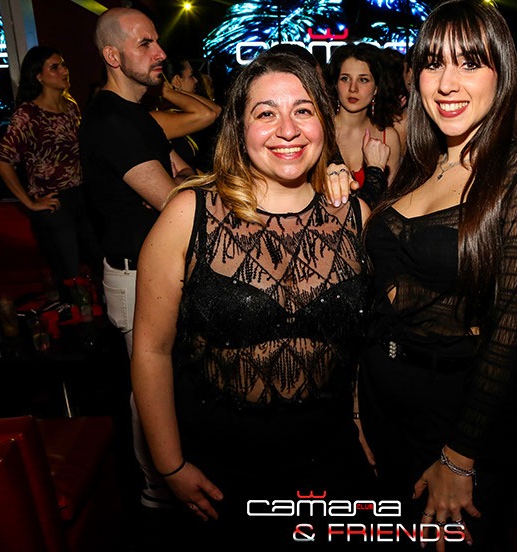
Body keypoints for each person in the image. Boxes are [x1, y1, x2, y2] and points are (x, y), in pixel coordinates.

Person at [324, 0, 517, 548]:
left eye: (470, 63)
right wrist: (357, 399)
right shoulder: (417, 165)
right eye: (434, 63)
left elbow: (515, 331)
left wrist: (461, 455)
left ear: (503, 73)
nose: (447, 83)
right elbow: (377, 293)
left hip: (454, 415)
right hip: (378, 393)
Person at [131, 51, 375, 547]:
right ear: (239, 129)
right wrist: (170, 465)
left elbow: (359, 347)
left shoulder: (355, 218)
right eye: (266, 113)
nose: (288, 129)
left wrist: (360, 425)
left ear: (324, 122)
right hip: (222, 473)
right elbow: (151, 350)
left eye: (303, 110)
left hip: (329, 461)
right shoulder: (189, 214)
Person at [79, 6, 195, 510]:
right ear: (112, 56)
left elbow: (186, 176)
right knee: (149, 389)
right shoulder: (109, 119)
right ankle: (156, 495)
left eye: (157, 41)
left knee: (170, 383)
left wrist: (196, 189)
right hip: (133, 277)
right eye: (145, 43)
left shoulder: (136, 116)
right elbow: (173, 199)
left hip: (157, 272)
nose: (160, 52)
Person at [0, 46, 102, 294]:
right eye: (55, 67)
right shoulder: (27, 114)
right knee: (70, 278)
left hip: (82, 198)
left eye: (63, 65)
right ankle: (75, 318)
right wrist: (29, 203)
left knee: (99, 266)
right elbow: (1, 159)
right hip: (54, 204)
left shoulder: (71, 107)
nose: (64, 71)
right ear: (38, 76)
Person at [328, 43, 402, 196]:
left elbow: (388, 202)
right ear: (335, 84)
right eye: (345, 79)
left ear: (376, 88)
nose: (353, 88)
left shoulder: (388, 137)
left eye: (363, 80)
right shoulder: (320, 130)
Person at [149, 57, 221, 171]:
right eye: (191, 76)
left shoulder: (175, 112)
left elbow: (216, 110)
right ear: (177, 79)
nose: (196, 80)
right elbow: (208, 114)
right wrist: (168, 91)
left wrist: (175, 90)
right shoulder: (155, 117)